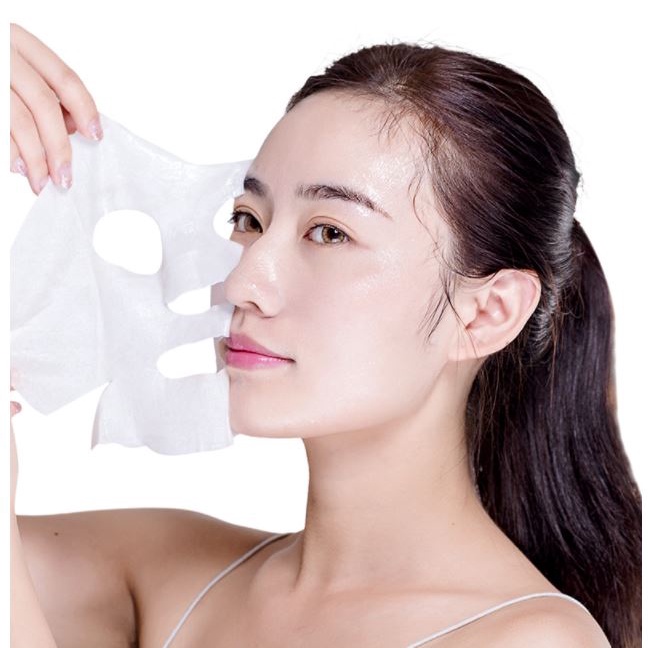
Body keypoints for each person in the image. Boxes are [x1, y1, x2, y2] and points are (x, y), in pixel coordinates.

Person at [9, 23, 641, 648]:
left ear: (486, 314)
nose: (243, 283)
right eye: (249, 220)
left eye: (330, 233)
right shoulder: (157, 575)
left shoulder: (530, 639)